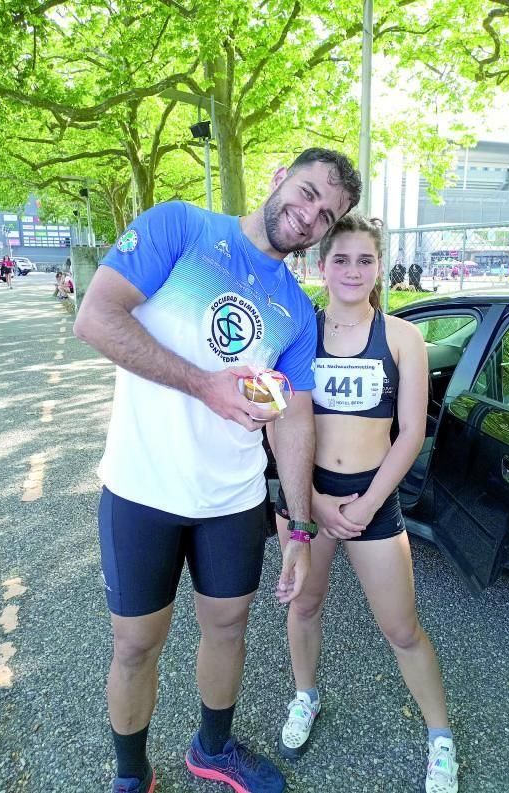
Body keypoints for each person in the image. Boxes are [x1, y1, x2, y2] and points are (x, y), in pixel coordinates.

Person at [73, 147, 362, 793]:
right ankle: (131, 773)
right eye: (309, 191)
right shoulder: (182, 226)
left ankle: (212, 747)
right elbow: (95, 318)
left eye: (328, 211)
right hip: (142, 487)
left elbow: (293, 418)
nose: (310, 213)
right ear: (280, 175)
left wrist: (299, 525)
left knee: (228, 628)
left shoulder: (293, 307)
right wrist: (205, 385)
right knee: (134, 645)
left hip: (231, 499)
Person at [270, 214, 459, 793]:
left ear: (379, 267)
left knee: (402, 629)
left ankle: (440, 738)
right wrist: (315, 504)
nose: (353, 270)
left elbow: (410, 434)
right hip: (305, 500)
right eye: (341, 259)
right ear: (320, 265)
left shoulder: (402, 338)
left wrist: (365, 503)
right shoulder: (298, 330)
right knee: (303, 605)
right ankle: (306, 695)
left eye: (365, 259)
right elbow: (278, 422)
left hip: (371, 502)